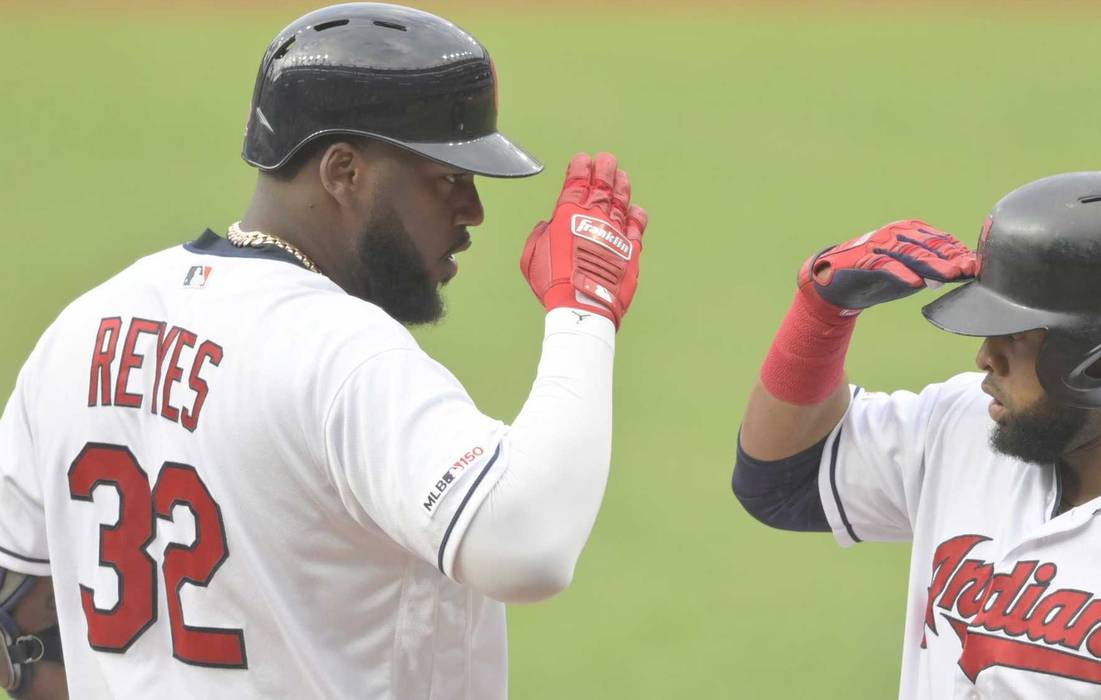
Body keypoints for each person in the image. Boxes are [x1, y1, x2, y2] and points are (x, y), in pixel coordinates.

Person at [0, 4, 647, 698]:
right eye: (446, 178)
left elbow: (21, 624)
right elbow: (528, 547)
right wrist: (585, 309)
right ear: (344, 172)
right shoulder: (343, 354)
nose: (473, 211)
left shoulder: (84, 328)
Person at [733, 172, 1101, 698]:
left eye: (1017, 336)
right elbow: (782, 480)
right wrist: (821, 317)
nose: (984, 356)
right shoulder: (967, 423)